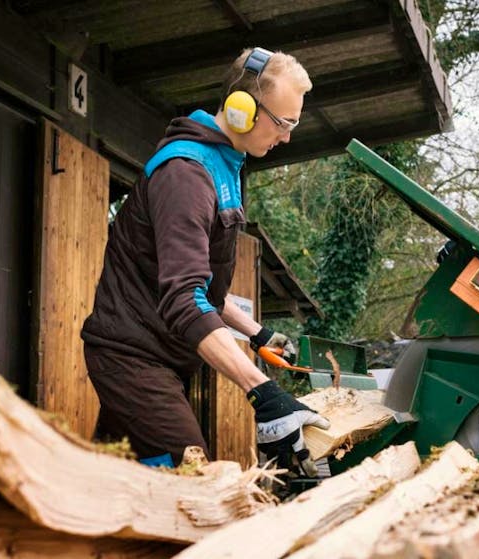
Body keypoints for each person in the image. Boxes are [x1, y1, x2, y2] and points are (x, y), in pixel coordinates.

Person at [81, 47, 329, 475]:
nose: (287, 136)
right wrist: (262, 392)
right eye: (283, 123)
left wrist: (257, 333)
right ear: (241, 110)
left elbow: (200, 285)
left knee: (110, 484)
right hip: (133, 359)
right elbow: (183, 298)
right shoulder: (187, 174)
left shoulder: (222, 165)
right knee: (192, 480)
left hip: (152, 358)